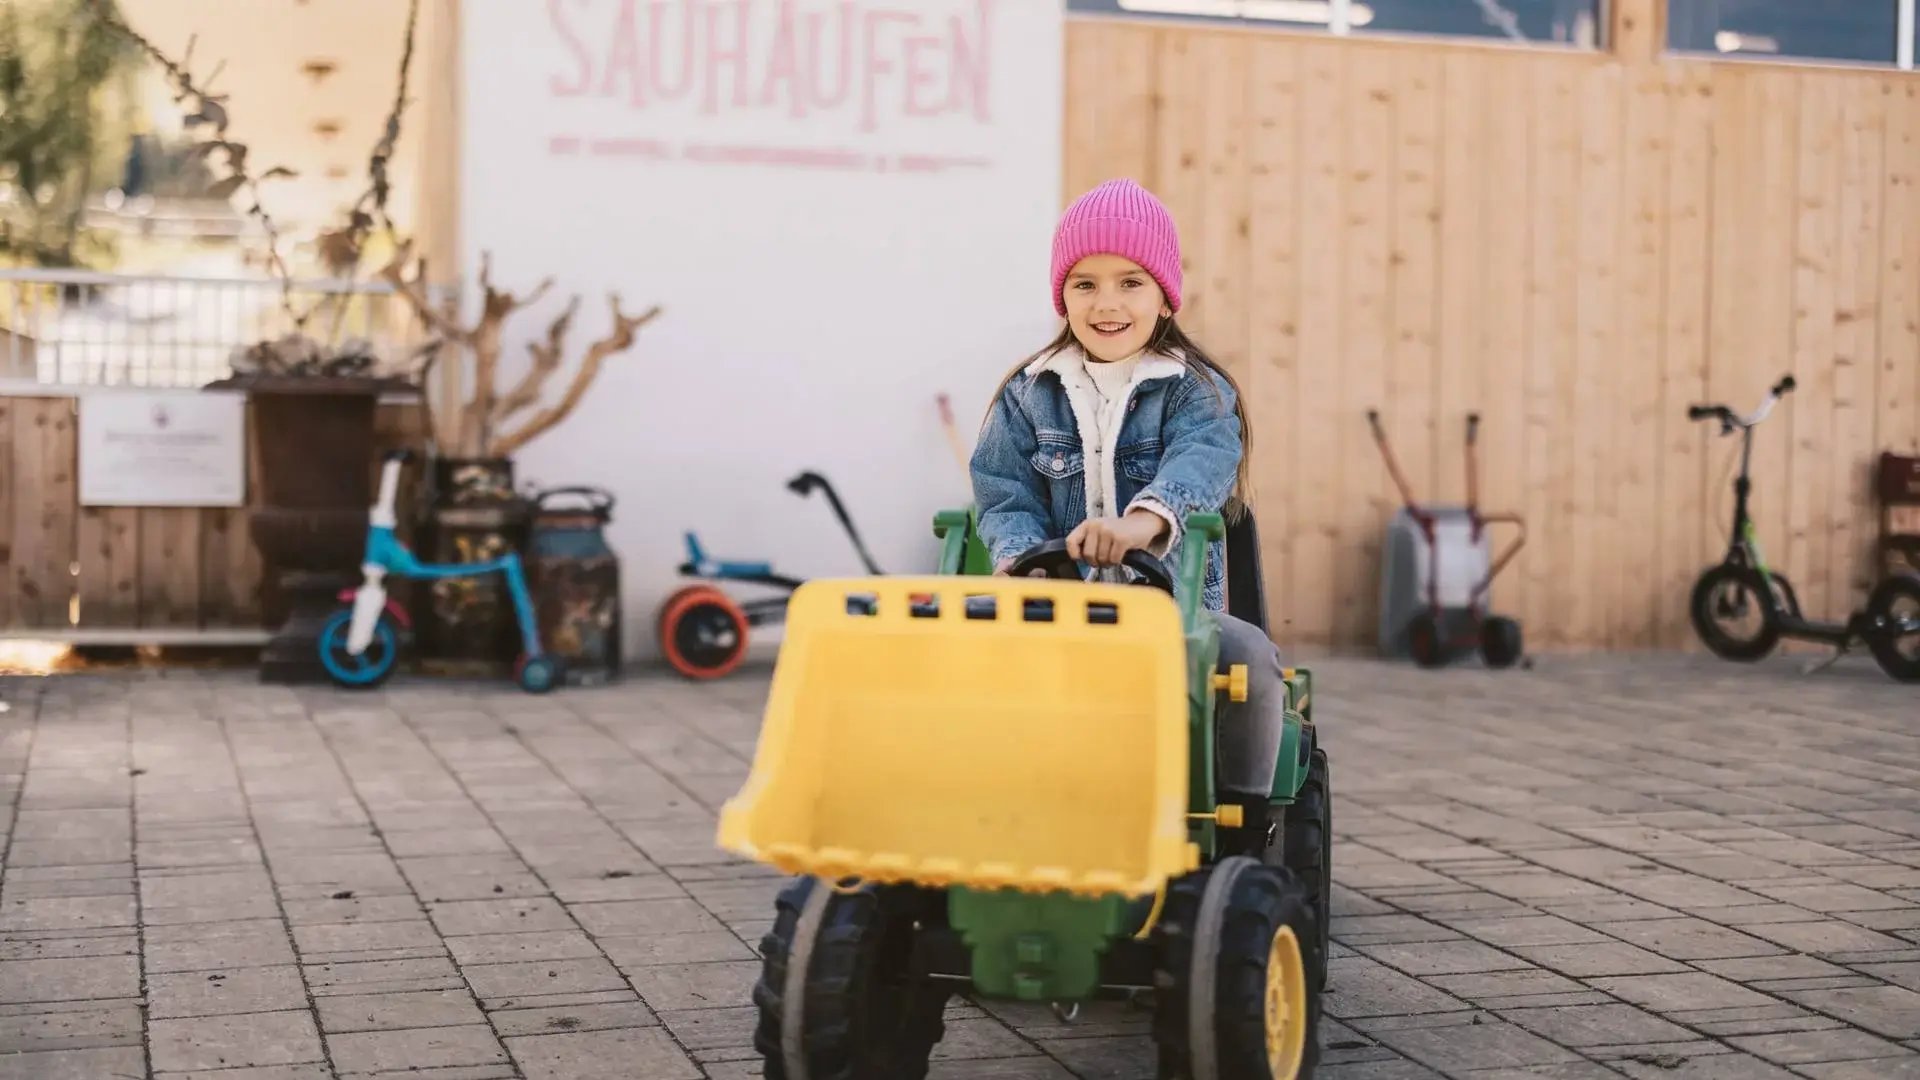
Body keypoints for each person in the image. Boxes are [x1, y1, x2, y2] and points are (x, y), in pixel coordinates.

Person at [969, 176, 1288, 806]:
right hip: (1058, 608)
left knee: (1250, 659)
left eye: (1130, 283)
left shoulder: (1199, 392)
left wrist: (1140, 526)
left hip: (1174, 614)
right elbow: (1005, 492)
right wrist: (1022, 563)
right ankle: (964, 795)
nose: (1106, 303)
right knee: (946, 638)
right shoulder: (1028, 395)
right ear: (1062, 296)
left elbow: (1199, 468)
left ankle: (1241, 818)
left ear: (1165, 298)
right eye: (1085, 283)